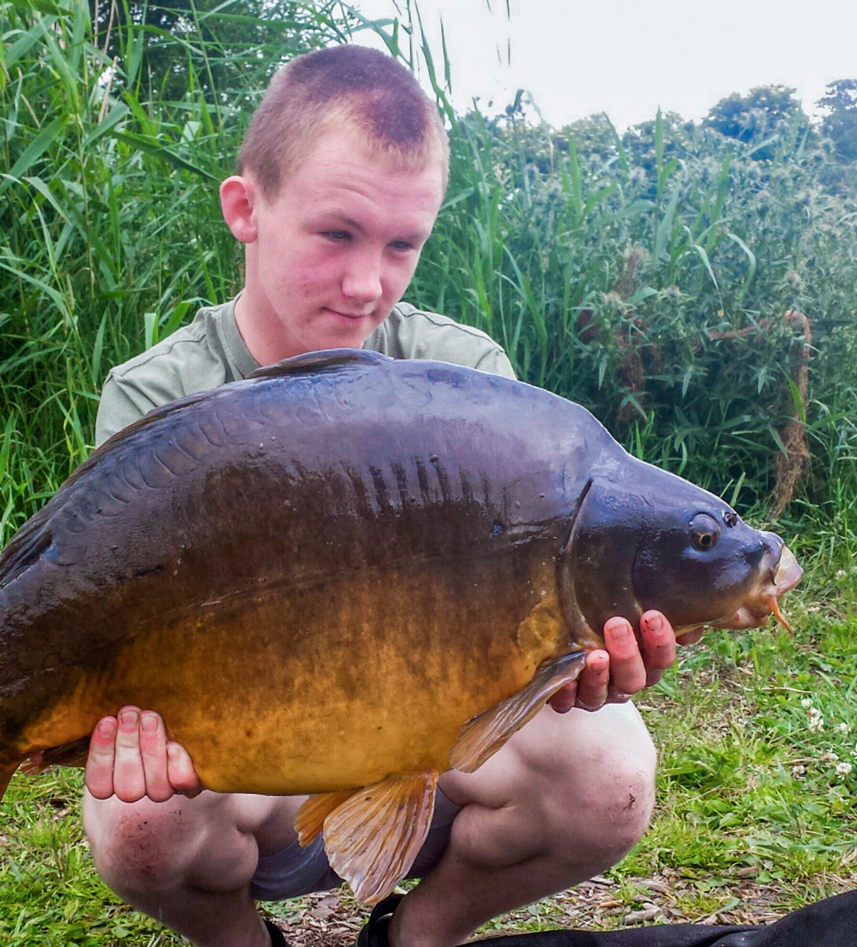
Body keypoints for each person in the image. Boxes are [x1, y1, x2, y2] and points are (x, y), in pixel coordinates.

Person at [77, 45, 702, 947]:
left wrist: (579, 666)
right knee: (137, 828)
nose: (369, 283)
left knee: (611, 773)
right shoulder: (159, 397)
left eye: (402, 244)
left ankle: (419, 935)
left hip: (438, 752)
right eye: (338, 234)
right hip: (244, 765)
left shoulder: (468, 384)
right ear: (245, 209)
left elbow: (530, 632)